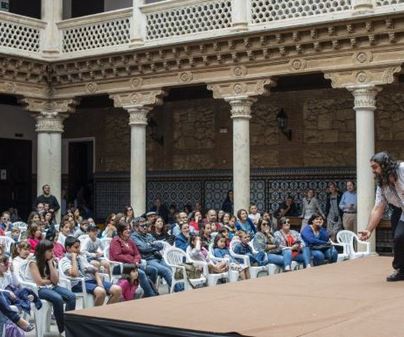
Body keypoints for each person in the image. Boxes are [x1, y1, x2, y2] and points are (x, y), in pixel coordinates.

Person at [359, 152, 404, 281]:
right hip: (400, 210)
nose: (373, 171)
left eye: (375, 167)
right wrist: (369, 229)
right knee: (399, 238)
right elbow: (378, 208)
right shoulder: (381, 184)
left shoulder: (402, 169)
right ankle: (401, 270)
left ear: (385, 165)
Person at [27, 240, 76, 334]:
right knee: (58, 299)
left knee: (72, 297)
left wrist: (50, 263)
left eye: (52, 251)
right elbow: (39, 282)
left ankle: (68, 325)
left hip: (51, 286)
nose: (52, 253)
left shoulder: (50, 261)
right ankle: (63, 330)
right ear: (42, 251)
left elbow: (56, 281)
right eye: (49, 251)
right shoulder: (33, 262)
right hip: (38, 289)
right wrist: (49, 281)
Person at [60, 236, 122, 306]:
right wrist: (74, 258)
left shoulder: (81, 256)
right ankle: (94, 315)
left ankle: (105, 312)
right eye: (76, 247)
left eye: (79, 247)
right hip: (78, 284)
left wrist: (99, 281)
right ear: (68, 248)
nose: (79, 249)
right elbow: (75, 274)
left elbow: (93, 269)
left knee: (117, 290)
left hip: (91, 280)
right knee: (101, 292)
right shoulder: (65, 260)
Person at [109, 222, 158, 297]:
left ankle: (146, 293)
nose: (128, 230)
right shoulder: (115, 241)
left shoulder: (130, 241)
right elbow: (117, 256)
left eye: (129, 229)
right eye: (126, 229)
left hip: (133, 265)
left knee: (153, 270)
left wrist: (135, 261)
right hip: (119, 266)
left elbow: (137, 254)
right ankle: (151, 295)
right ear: (120, 231)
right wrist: (132, 261)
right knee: (141, 273)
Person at [131, 220, 176, 292]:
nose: (145, 227)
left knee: (172, 270)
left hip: (158, 257)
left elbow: (160, 245)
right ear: (136, 228)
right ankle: (180, 291)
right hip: (148, 260)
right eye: (142, 226)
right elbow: (144, 248)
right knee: (166, 271)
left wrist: (150, 245)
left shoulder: (149, 235)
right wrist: (152, 245)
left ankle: (178, 290)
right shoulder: (134, 237)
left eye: (146, 225)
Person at [0, 255, 36, 332]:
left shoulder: (7, 275)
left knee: (23, 290)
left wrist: (12, 271)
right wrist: (7, 292)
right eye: (6, 264)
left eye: (9, 264)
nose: (8, 267)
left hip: (9, 298)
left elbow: (17, 284)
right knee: (5, 294)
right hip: (4, 297)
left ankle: (24, 299)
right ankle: (18, 320)